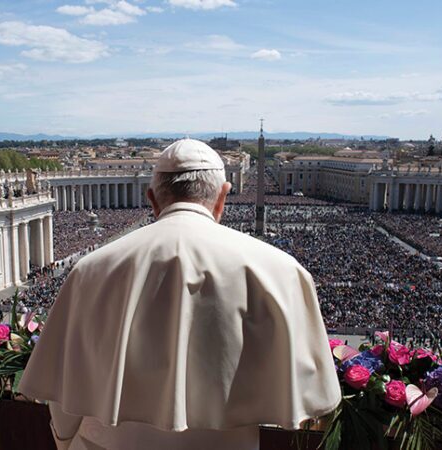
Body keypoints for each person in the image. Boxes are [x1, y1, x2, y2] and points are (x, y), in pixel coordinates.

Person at [20, 139, 341, 450]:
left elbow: (65, 388)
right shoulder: (281, 270)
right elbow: (312, 396)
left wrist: (65, 441)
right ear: (223, 196)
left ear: (152, 199)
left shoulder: (90, 270)